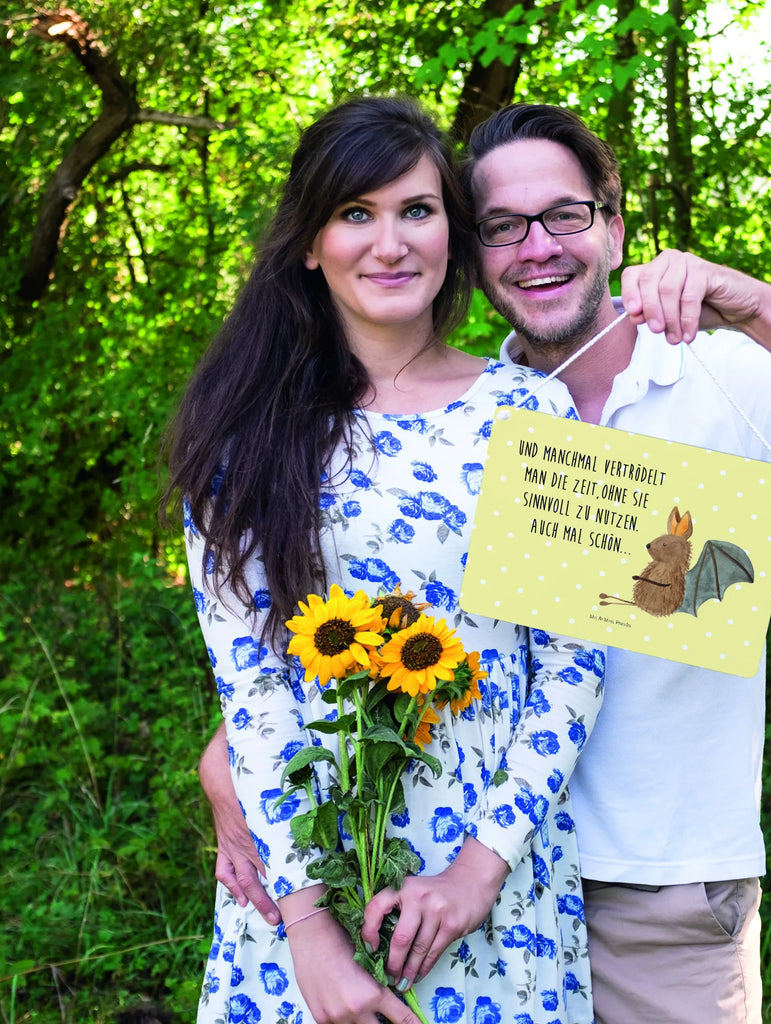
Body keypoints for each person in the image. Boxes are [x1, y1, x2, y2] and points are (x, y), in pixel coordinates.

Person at [201, 102, 771, 1024]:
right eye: (502, 227)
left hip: (653, 887)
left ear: (612, 225)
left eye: (564, 215)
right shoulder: (460, 415)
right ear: (474, 251)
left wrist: (760, 306)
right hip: (430, 876)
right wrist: (235, 769)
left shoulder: (710, 371)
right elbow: (332, 634)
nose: (537, 247)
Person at [165, 96, 609, 1024]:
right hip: (303, 888)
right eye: (355, 214)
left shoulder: (533, 413)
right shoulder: (242, 437)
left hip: (493, 888)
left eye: (417, 210)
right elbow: (253, 693)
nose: (391, 242)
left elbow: (573, 665)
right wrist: (312, 937)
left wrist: (477, 873)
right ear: (308, 243)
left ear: (452, 229)